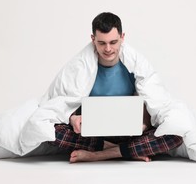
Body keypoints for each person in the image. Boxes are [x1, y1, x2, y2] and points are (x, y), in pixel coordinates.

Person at [49, 12, 183, 163]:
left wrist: (143, 124)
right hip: (92, 135)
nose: (108, 49)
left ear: (122, 37)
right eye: (102, 43)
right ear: (93, 39)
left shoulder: (134, 65)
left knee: (176, 134)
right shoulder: (80, 66)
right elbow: (65, 103)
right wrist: (73, 118)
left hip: (128, 134)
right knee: (47, 131)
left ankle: (100, 154)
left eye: (113, 42)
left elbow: (151, 99)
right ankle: (127, 151)